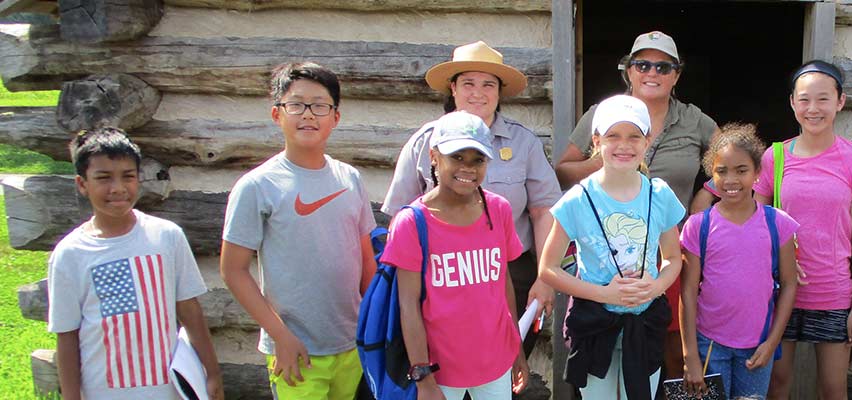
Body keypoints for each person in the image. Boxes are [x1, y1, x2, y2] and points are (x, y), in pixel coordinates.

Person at [554, 30, 718, 380]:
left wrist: (707, 195)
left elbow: (733, 157)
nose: (652, 73)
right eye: (642, 64)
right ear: (628, 70)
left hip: (668, 244)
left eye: (663, 67)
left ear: (676, 75)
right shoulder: (603, 114)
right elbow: (563, 170)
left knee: (669, 345)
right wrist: (610, 160)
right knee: (601, 347)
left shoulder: (694, 119)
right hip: (606, 250)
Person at [220, 62, 377, 399]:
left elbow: (366, 261)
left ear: (335, 117)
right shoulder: (257, 186)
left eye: (320, 106)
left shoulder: (350, 179)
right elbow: (232, 270)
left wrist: (373, 325)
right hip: (296, 351)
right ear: (277, 114)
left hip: (351, 346)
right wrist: (280, 336)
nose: (309, 115)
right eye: (297, 104)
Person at [384, 41, 561, 333]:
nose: (478, 93)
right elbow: (399, 215)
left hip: (509, 272)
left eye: (488, 85)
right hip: (440, 273)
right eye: (468, 83)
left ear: (499, 92)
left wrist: (545, 276)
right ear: (452, 88)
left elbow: (543, 212)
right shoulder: (424, 141)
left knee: (506, 362)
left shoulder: (524, 143)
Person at [48, 128, 222, 400]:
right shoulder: (70, 254)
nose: (117, 188)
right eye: (103, 178)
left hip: (169, 390)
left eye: (128, 176)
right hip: (103, 392)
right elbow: (67, 336)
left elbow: (189, 310)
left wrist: (212, 374)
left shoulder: (166, 236)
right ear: (82, 184)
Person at [538, 95, 685, 400]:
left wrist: (656, 285)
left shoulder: (659, 194)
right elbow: (548, 269)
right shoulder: (577, 200)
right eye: (613, 136)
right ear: (596, 141)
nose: (624, 145)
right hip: (596, 323)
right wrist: (605, 293)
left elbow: (672, 256)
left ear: (648, 140)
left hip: (644, 322)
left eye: (634, 136)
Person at [381, 112, 529, 399]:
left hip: (494, 362)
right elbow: (408, 305)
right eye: (457, 157)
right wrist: (422, 376)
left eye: (478, 159)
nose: (468, 168)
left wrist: (516, 349)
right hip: (440, 371)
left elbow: (503, 284)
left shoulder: (498, 209)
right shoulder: (412, 222)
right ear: (434, 157)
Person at [755, 60, 852, 400]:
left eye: (823, 99)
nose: (813, 109)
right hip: (782, 293)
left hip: (834, 293)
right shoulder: (774, 157)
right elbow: (756, 225)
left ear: (840, 102)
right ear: (793, 103)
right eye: (805, 99)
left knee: (833, 389)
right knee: (777, 385)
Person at [679, 123, 800, 398]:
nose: (731, 180)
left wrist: (772, 343)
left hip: (757, 348)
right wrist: (691, 357)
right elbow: (687, 291)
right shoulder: (699, 225)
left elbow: (790, 284)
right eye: (722, 171)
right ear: (712, 174)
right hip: (709, 346)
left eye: (741, 170)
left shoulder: (777, 224)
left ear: (758, 173)